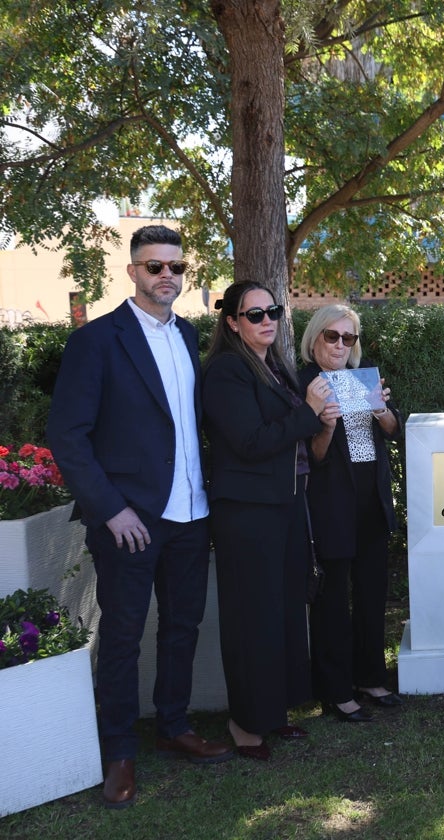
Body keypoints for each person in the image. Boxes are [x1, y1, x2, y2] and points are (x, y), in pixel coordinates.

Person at [46, 225, 232, 809]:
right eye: (154, 267)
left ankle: (173, 727)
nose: (167, 277)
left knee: (183, 627)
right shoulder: (97, 341)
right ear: (132, 272)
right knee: (123, 636)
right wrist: (111, 509)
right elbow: (68, 437)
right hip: (129, 519)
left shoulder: (190, 335)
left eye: (175, 267)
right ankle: (120, 750)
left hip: (190, 513)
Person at [203, 281, 327, 760]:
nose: (267, 320)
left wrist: (323, 417)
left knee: (283, 610)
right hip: (247, 513)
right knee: (252, 616)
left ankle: (274, 713)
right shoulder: (226, 371)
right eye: (254, 315)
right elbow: (251, 442)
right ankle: (245, 724)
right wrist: (311, 413)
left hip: (286, 504)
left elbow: (294, 433)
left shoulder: (274, 366)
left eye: (272, 310)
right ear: (232, 322)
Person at [298, 305, 404, 722]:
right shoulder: (306, 384)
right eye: (332, 336)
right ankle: (336, 690)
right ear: (315, 339)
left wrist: (379, 409)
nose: (341, 345)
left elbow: (394, 428)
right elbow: (314, 458)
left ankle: (370, 677)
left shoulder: (363, 379)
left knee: (372, 593)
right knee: (333, 600)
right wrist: (324, 424)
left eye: (349, 338)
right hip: (331, 505)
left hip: (370, 501)